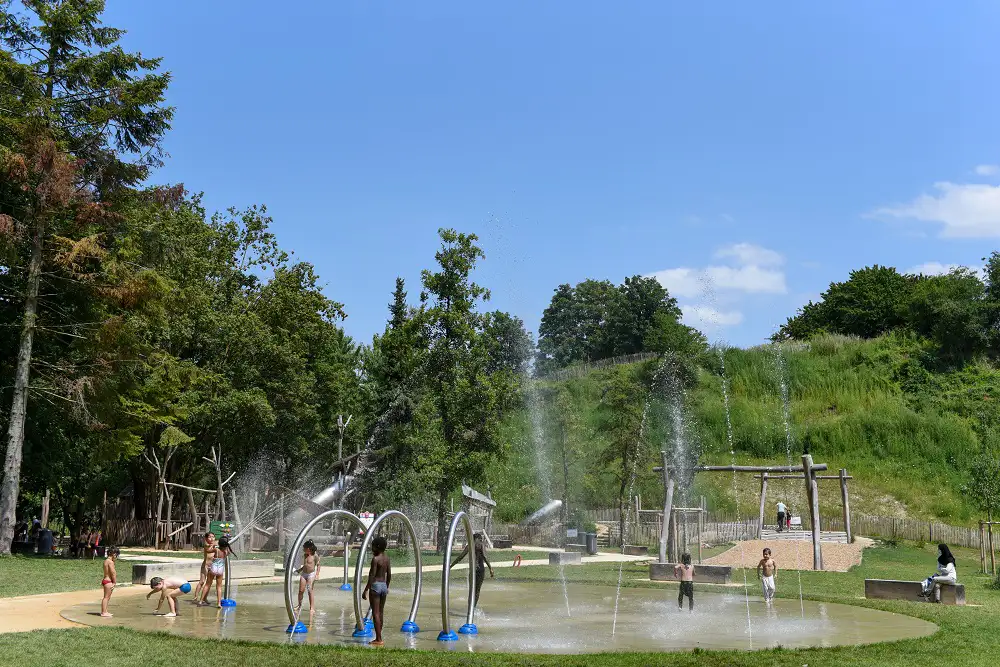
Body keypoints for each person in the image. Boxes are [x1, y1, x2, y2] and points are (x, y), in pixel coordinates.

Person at [449, 532, 494, 607]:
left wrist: (451, 566)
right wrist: (490, 568)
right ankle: (473, 608)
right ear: (478, 539)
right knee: (477, 591)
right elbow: (485, 556)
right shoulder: (481, 545)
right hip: (480, 570)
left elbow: (460, 557)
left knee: (471, 591)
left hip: (473, 570)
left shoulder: (469, 546)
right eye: (480, 539)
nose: (481, 540)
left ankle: (470, 608)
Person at [362, 535, 391, 646]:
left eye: (373, 546)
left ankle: (379, 639)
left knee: (375, 613)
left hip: (375, 586)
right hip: (383, 585)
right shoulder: (387, 559)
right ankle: (379, 636)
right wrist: (387, 586)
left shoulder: (375, 559)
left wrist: (366, 590)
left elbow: (372, 575)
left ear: (377, 547)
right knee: (381, 612)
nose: (371, 548)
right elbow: (389, 574)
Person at [200, 537, 234, 608]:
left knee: (207, 584)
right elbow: (228, 551)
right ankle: (219, 603)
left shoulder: (216, 550)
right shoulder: (226, 551)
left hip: (213, 568)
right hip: (220, 570)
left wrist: (212, 545)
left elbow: (208, 551)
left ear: (219, 544)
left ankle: (201, 601)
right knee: (219, 587)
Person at [295, 539, 321, 615]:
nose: (303, 550)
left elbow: (318, 565)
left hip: (311, 574)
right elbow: (306, 565)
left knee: (310, 590)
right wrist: (299, 570)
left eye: (304, 548)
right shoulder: (305, 555)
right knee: (301, 591)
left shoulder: (315, 555)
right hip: (304, 574)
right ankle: (299, 606)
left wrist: (317, 574)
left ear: (308, 549)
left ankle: (312, 608)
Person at [193, 531, 216, 600]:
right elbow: (209, 549)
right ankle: (196, 596)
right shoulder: (206, 545)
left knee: (209, 583)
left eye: (213, 537)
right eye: (210, 537)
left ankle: (205, 598)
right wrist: (214, 544)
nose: (211, 538)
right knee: (202, 581)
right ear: (206, 539)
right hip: (205, 566)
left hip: (212, 566)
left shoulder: (215, 545)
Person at [100, 546, 120, 617]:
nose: (116, 557)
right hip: (108, 581)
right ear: (114, 554)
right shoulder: (110, 562)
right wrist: (114, 582)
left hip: (105, 580)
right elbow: (113, 573)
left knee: (106, 597)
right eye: (116, 555)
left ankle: (105, 611)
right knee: (106, 597)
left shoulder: (106, 561)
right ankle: (103, 612)